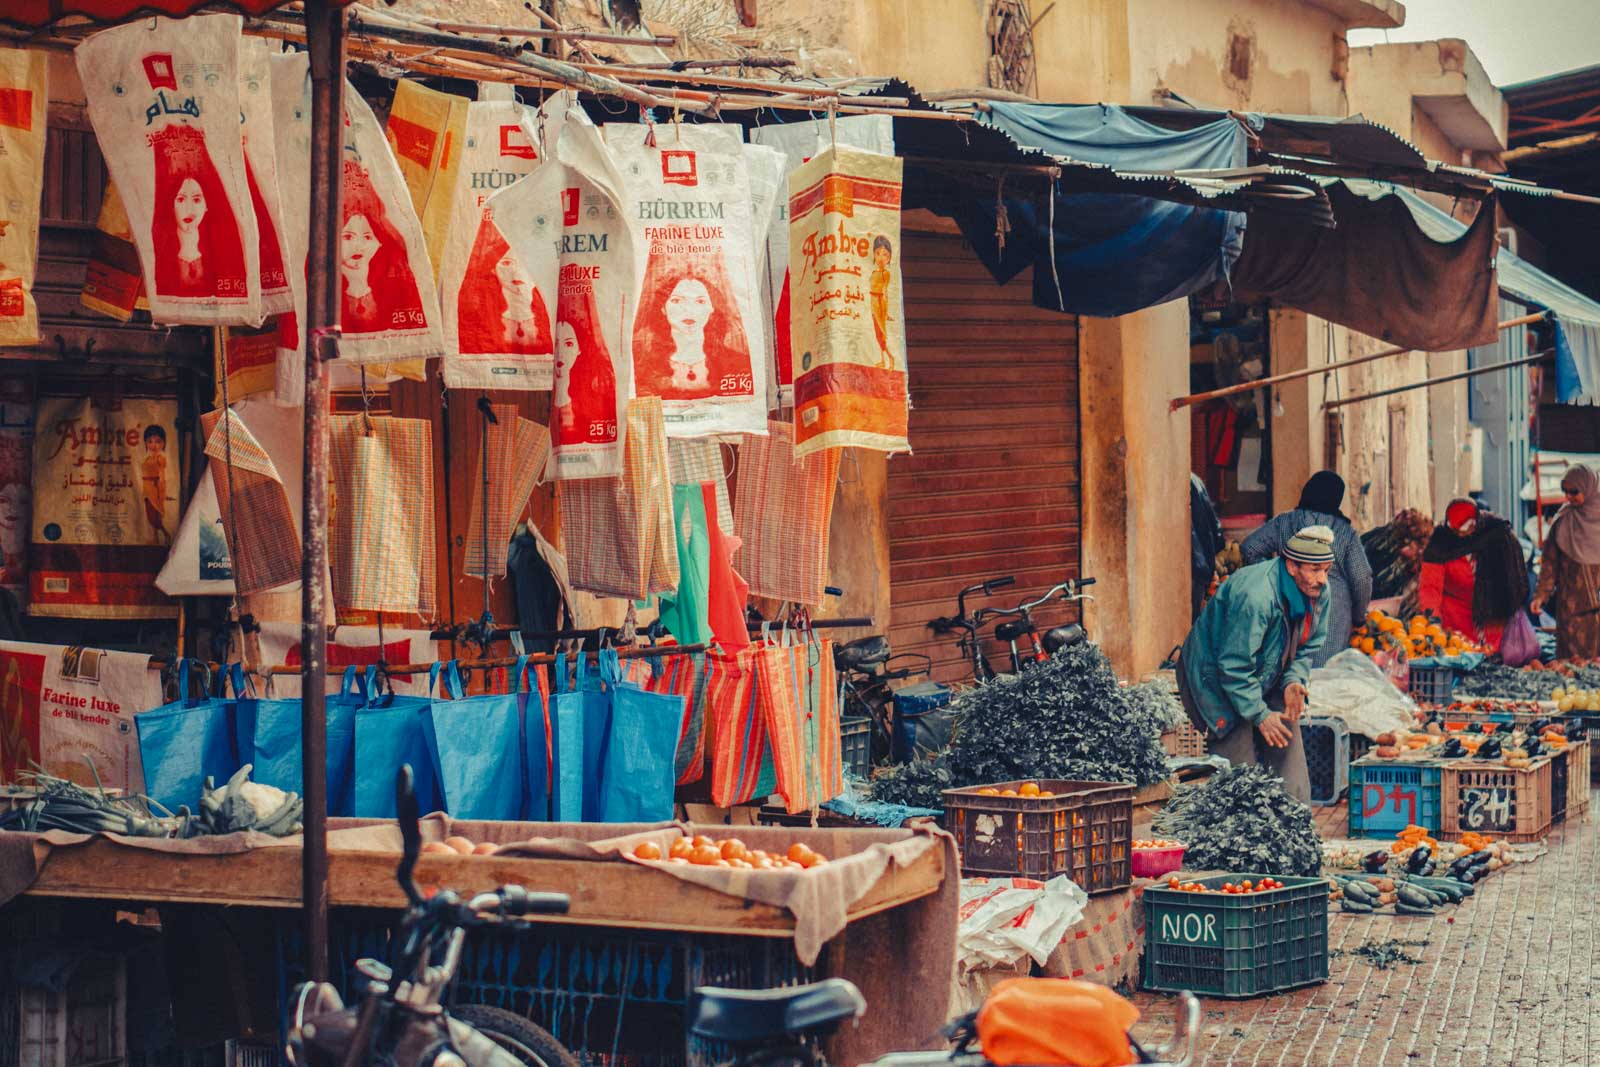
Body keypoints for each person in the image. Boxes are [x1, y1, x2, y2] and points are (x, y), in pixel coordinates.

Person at [1178, 525, 1334, 804]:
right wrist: (1260, 714)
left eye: (1326, 569)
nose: (1322, 579)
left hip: (1268, 671)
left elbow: (1308, 646)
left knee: (1293, 779)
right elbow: (1234, 667)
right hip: (1214, 679)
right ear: (1291, 566)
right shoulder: (1256, 597)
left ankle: (1294, 833)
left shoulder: (1319, 591)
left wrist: (1293, 681)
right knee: (1239, 783)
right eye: (1314, 569)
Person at [1241, 471, 1371, 666]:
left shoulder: (1284, 522)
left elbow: (1250, 548)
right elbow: (1362, 577)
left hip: (1286, 607)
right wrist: (1359, 617)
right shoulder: (1344, 533)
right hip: (1333, 617)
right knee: (1324, 678)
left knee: (1286, 670)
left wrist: (1276, 580)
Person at [1418, 499, 1528, 649]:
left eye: (1464, 529)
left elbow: (1515, 576)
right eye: (1455, 531)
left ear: (1476, 523)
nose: (1459, 536)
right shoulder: (1441, 542)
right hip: (1456, 620)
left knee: (1493, 662)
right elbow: (1430, 586)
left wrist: (1513, 604)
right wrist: (1433, 622)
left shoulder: (1497, 534)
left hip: (1493, 615)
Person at [1531, 466, 1600, 660]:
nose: (1568, 497)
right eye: (1565, 492)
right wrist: (1540, 596)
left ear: (1589, 488)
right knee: (1570, 673)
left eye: (1574, 492)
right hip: (1572, 613)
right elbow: (1549, 564)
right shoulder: (1563, 521)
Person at [1189, 473, 1223, 620]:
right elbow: (1215, 529)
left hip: (1195, 564)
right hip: (1200, 564)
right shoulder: (1194, 480)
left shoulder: (1189, 481)